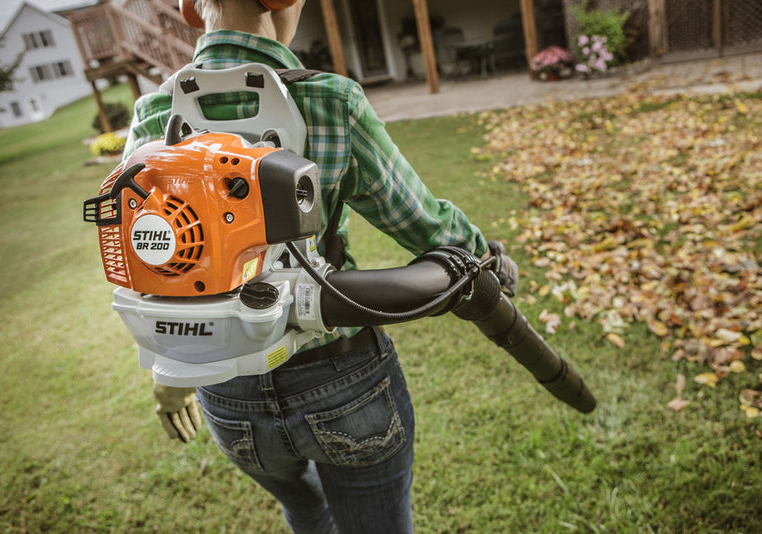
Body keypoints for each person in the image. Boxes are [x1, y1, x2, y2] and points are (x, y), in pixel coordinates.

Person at [122, 1, 518, 532]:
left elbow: (148, 261)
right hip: (342, 377)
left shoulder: (151, 114)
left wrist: (167, 374)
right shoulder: (327, 99)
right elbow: (432, 229)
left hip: (226, 390)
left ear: (193, 9)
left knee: (305, 510)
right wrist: (486, 256)